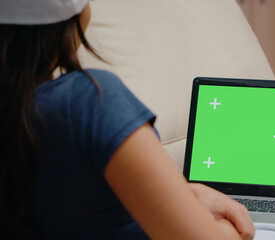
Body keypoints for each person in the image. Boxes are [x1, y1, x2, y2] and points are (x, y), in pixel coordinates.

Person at [0, 0, 255, 239]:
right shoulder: (90, 101)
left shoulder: (24, 113)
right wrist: (227, 227)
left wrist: (182, 196)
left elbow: (78, 202)